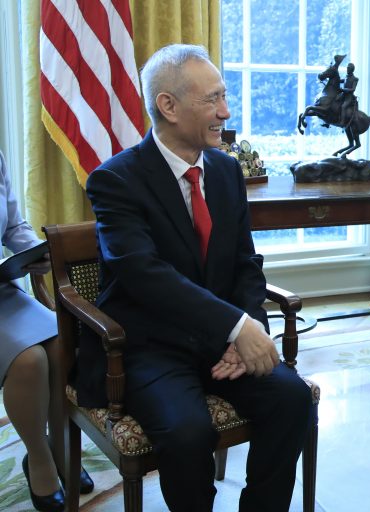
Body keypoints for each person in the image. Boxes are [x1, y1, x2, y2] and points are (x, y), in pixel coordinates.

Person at [83, 44, 311, 512]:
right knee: (189, 432)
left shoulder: (227, 170)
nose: (225, 112)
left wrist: (247, 327)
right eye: (212, 100)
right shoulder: (115, 181)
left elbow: (246, 264)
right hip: (150, 345)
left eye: (223, 97)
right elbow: (144, 275)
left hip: (218, 340)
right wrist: (236, 326)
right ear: (168, 106)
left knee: (292, 399)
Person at [0, 150, 93, 512]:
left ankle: (61, 445)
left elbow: (12, 227)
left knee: (60, 345)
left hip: (3, 293)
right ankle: (38, 458)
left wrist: (32, 252)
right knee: (29, 361)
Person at [338, 62, 359, 127]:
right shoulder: (345, 77)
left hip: (349, 97)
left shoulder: (355, 79)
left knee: (343, 106)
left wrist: (344, 90)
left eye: (348, 68)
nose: (347, 69)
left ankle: (342, 122)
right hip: (343, 95)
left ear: (351, 69)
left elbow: (353, 89)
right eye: (347, 68)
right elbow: (339, 80)